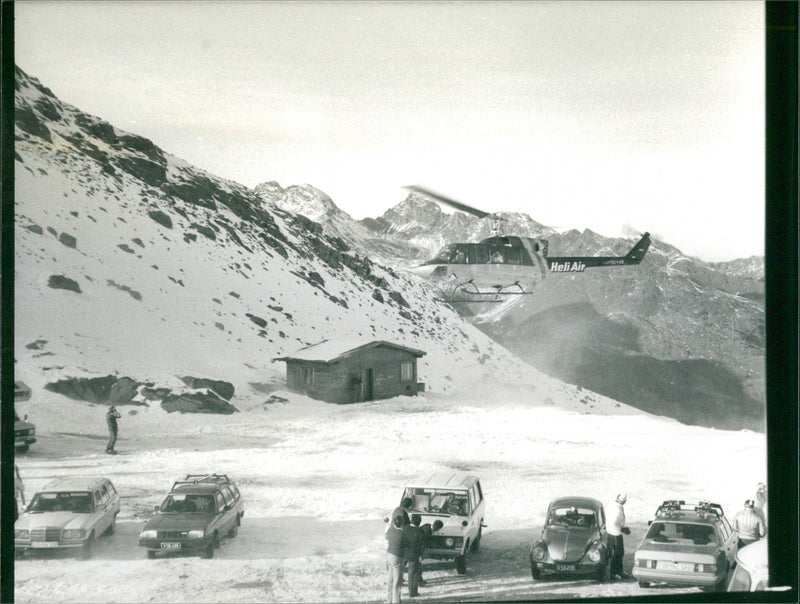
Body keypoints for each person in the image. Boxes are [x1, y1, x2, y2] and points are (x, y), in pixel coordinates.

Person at [606, 493, 630, 580]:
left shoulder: (612, 504)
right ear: (624, 502)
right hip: (616, 533)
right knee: (618, 554)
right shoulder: (618, 510)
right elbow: (615, 521)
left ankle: (617, 571)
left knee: (613, 554)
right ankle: (615, 573)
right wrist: (622, 529)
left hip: (609, 532)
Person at [385, 515, 405, 603]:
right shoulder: (402, 534)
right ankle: (395, 601)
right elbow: (407, 544)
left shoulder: (390, 532)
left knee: (390, 580)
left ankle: (388, 600)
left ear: (394, 523)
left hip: (389, 555)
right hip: (397, 557)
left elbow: (386, 536)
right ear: (402, 524)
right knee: (397, 581)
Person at [403, 514, 425, 597]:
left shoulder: (405, 528)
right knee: (413, 574)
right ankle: (412, 592)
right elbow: (422, 545)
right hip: (414, 555)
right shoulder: (419, 531)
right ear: (419, 522)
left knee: (400, 571)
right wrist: (421, 555)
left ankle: (398, 587)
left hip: (404, 553)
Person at [417, 519, 443, 585]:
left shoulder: (427, 525)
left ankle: (419, 580)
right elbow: (423, 543)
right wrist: (420, 554)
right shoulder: (427, 532)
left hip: (415, 547)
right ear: (437, 528)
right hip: (416, 549)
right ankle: (419, 581)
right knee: (417, 566)